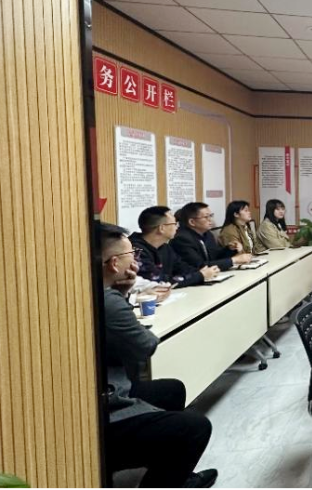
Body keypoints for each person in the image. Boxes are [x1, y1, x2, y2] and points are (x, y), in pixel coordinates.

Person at [98, 222, 217, 490]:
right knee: (195, 427)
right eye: (132, 255)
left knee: (172, 390)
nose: (136, 261)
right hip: (106, 408)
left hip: (111, 389)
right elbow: (146, 346)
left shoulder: (100, 293)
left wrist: (123, 292)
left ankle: (176, 473)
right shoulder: (107, 301)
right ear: (115, 263)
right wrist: (122, 296)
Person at [132, 206, 217, 289]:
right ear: (162, 228)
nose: (177, 227)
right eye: (175, 224)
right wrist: (200, 275)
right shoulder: (135, 250)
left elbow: (182, 267)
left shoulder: (164, 247)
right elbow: (158, 281)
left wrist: (203, 271)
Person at [172, 202, 251, 271]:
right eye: (206, 217)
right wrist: (233, 260)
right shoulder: (182, 239)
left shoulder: (208, 234)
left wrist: (230, 249)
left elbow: (215, 257)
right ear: (192, 222)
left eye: (211, 216)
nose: (211, 220)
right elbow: (200, 266)